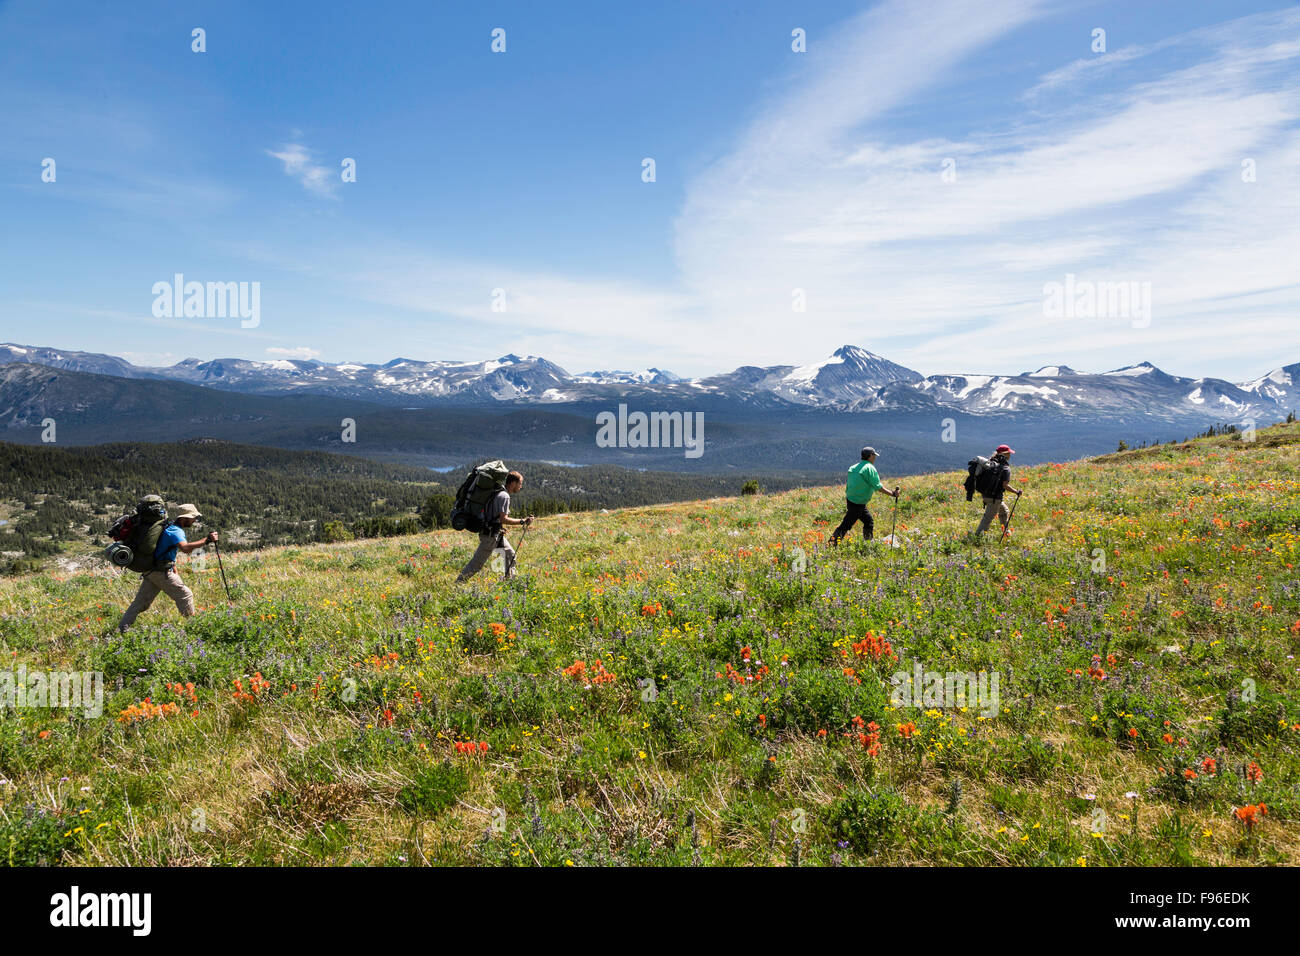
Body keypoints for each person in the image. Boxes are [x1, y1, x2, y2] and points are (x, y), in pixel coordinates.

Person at [118, 503, 216, 632]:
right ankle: (194, 628)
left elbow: (165, 550)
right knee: (185, 595)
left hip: (151, 570)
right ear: (184, 518)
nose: (194, 520)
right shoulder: (175, 531)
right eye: (193, 517)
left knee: (140, 603)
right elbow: (185, 548)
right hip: (160, 572)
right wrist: (207, 540)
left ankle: (121, 630)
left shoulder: (169, 528)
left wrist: (173, 567)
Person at [455, 470, 534, 582]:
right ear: (512, 484)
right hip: (490, 536)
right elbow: (503, 518)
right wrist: (522, 521)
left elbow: (493, 515)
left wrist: (500, 527)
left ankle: (509, 582)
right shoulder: (505, 496)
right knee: (476, 564)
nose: (521, 486)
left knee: (510, 556)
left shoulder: (498, 492)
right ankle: (459, 583)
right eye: (520, 483)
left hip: (495, 533)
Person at [830, 446, 899, 546]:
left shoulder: (853, 467)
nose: (875, 458)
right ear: (870, 456)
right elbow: (878, 487)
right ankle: (831, 544)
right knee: (846, 525)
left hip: (851, 500)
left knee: (868, 521)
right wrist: (892, 494)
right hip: (858, 503)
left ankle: (868, 544)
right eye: (874, 455)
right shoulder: (870, 468)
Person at [974, 444, 1022, 536]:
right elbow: (1005, 485)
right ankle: (978, 537)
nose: (1010, 455)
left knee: (1004, 511)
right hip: (995, 498)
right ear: (1004, 454)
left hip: (986, 495)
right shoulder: (1005, 468)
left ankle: (1006, 532)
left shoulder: (991, 463)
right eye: (1008, 453)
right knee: (987, 518)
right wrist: (1016, 492)